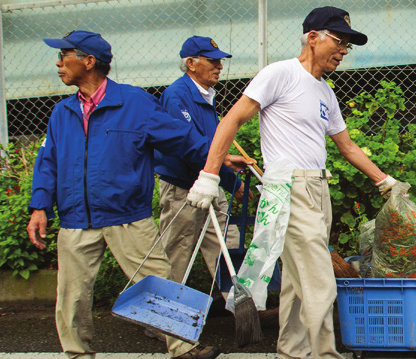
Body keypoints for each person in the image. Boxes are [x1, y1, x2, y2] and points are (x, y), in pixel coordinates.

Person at [187, 6, 397, 359]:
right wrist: (209, 175)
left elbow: (346, 147)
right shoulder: (280, 74)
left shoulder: (325, 92)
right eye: (339, 40)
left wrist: (385, 181)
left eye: (348, 44)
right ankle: (326, 354)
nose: (344, 49)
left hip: (317, 188)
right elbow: (231, 121)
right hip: (288, 188)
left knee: (298, 285)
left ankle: (292, 351)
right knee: (319, 280)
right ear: (312, 38)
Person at [26, 30, 249, 359]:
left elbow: (180, 137)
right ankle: (77, 353)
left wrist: (217, 157)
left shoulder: (134, 102)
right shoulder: (62, 112)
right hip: (76, 220)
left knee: (159, 282)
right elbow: (47, 163)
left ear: (88, 62)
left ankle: (183, 348)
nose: (58, 63)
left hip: (127, 216)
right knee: (71, 296)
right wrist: (40, 206)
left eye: (64, 56)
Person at [154, 36, 251, 299]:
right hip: (183, 187)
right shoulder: (177, 96)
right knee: (177, 253)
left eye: (220, 60)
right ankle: (161, 318)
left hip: (209, 183)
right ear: (190, 63)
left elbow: (211, 148)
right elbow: (191, 148)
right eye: (212, 60)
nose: (219, 66)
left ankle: (244, 307)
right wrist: (232, 182)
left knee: (228, 246)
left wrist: (229, 182)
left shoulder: (205, 96)